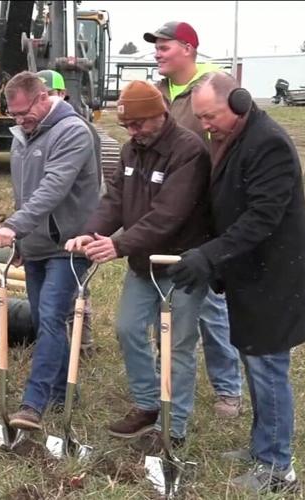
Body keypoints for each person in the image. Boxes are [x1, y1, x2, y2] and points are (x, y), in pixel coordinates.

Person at [176, 72, 305, 493]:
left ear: (238, 102)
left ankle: (277, 469)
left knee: (269, 367)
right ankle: (262, 446)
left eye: (211, 116)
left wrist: (209, 256)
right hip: (249, 273)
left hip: (275, 276)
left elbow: (261, 219)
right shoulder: (233, 138)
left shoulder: (267, 143)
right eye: (200, 117)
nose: (205, 125)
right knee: (255, 362)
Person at [65, 81, 210, 451]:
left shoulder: (188, 151)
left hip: (180, 265)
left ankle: (173, 427)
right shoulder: (132, 150)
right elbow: (114, 198)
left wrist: (118, 244)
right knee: (128, 329)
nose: (133, 132)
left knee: (177, 346)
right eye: (128, 126)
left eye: (139, 124)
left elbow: (168, 215)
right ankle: (148, 406)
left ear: (159, 114)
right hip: (143, 265)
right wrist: (91, 232)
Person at [0, 71, 99, 429]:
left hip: (68, 244)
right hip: (34, 245)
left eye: (24, 113)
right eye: (14, 115)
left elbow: (52, 188)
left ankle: (33, 404)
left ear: (44, 97)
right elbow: (25, 193)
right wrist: (20, 239)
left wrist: (12, 226)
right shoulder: (22, 135)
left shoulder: (74, 132)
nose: (19, 120)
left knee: (51, 317)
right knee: (42, 319)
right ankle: (65, 392)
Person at [145, 21, 243, 418]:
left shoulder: (213, 86)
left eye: (164, 47)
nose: (157, 54)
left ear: (188, 48)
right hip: (167, 211)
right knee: (165, 300)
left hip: (204, 212)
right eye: (156, 48)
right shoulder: (160, 93)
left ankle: (228, 389)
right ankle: (163, 375)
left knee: (209, 307)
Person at [36, 69, 99, 353]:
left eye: (51, 93)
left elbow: (90, 182)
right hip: (44, 226)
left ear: (62, 94)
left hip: (74, 224)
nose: (47, 99)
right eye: (42, 94)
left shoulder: (80, 129)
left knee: (77, 289)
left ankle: (82, 341)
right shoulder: (35, 131)